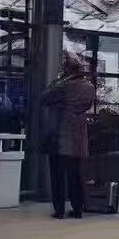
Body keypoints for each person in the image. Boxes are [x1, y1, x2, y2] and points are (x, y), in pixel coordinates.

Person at [41, 53, 95, 219]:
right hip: (78, 139)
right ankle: (77, 209)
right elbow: (85, 106)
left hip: (60, 138)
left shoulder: (63, 86)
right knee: (76, 176)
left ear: (66, 70)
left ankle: (59, 211)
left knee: (57, 177)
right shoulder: (89, 87)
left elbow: (44, 97)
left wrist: (57, 80)